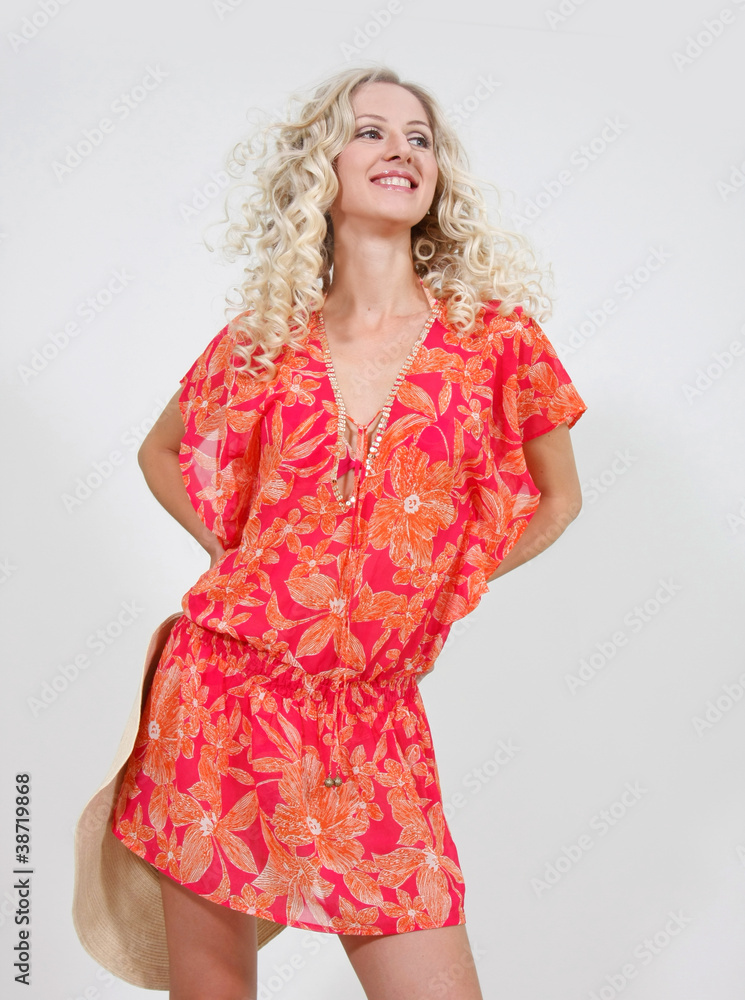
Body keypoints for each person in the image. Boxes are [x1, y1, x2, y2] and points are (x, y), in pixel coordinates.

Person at [110, 65, 587, 1000]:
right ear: (319, 168)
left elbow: (556, 496)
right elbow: (159, 452)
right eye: (369, 131)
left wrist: (455, 579)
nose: (399, 150)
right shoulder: (264, 340)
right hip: (222, 698)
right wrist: (232, 557)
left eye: (418, 138)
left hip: (372, 721)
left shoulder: (495, 340)